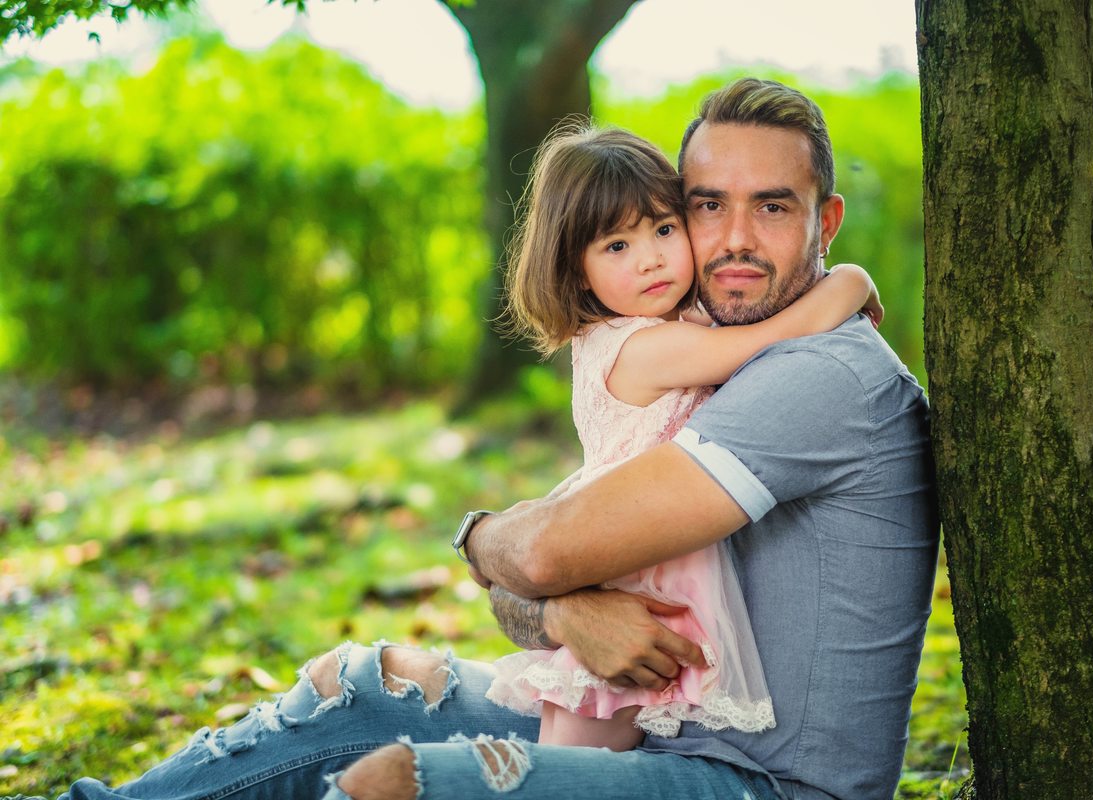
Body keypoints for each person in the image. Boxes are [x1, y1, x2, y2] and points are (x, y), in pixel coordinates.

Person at [50, 78, 937, 800]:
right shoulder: (689, 350)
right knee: (368, 683)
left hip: (756, 782)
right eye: (706, 207)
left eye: (773, 208)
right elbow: (540, 577)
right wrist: (544, 598)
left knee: (396, 786)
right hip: (664, 722)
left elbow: (545, 549)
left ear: (825, 223)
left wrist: (494, 547)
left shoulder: (822, 376)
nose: (733, 240)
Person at [483, 123, 882, 751]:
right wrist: (851, 280)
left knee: (578, 745)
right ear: (577, 270)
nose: (651, 258)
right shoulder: (640, 346)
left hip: (639, 554)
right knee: (580, 761)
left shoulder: (664, 324)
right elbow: (760, 343)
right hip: (637, 570)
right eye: (617, 246)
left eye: (664, 230)